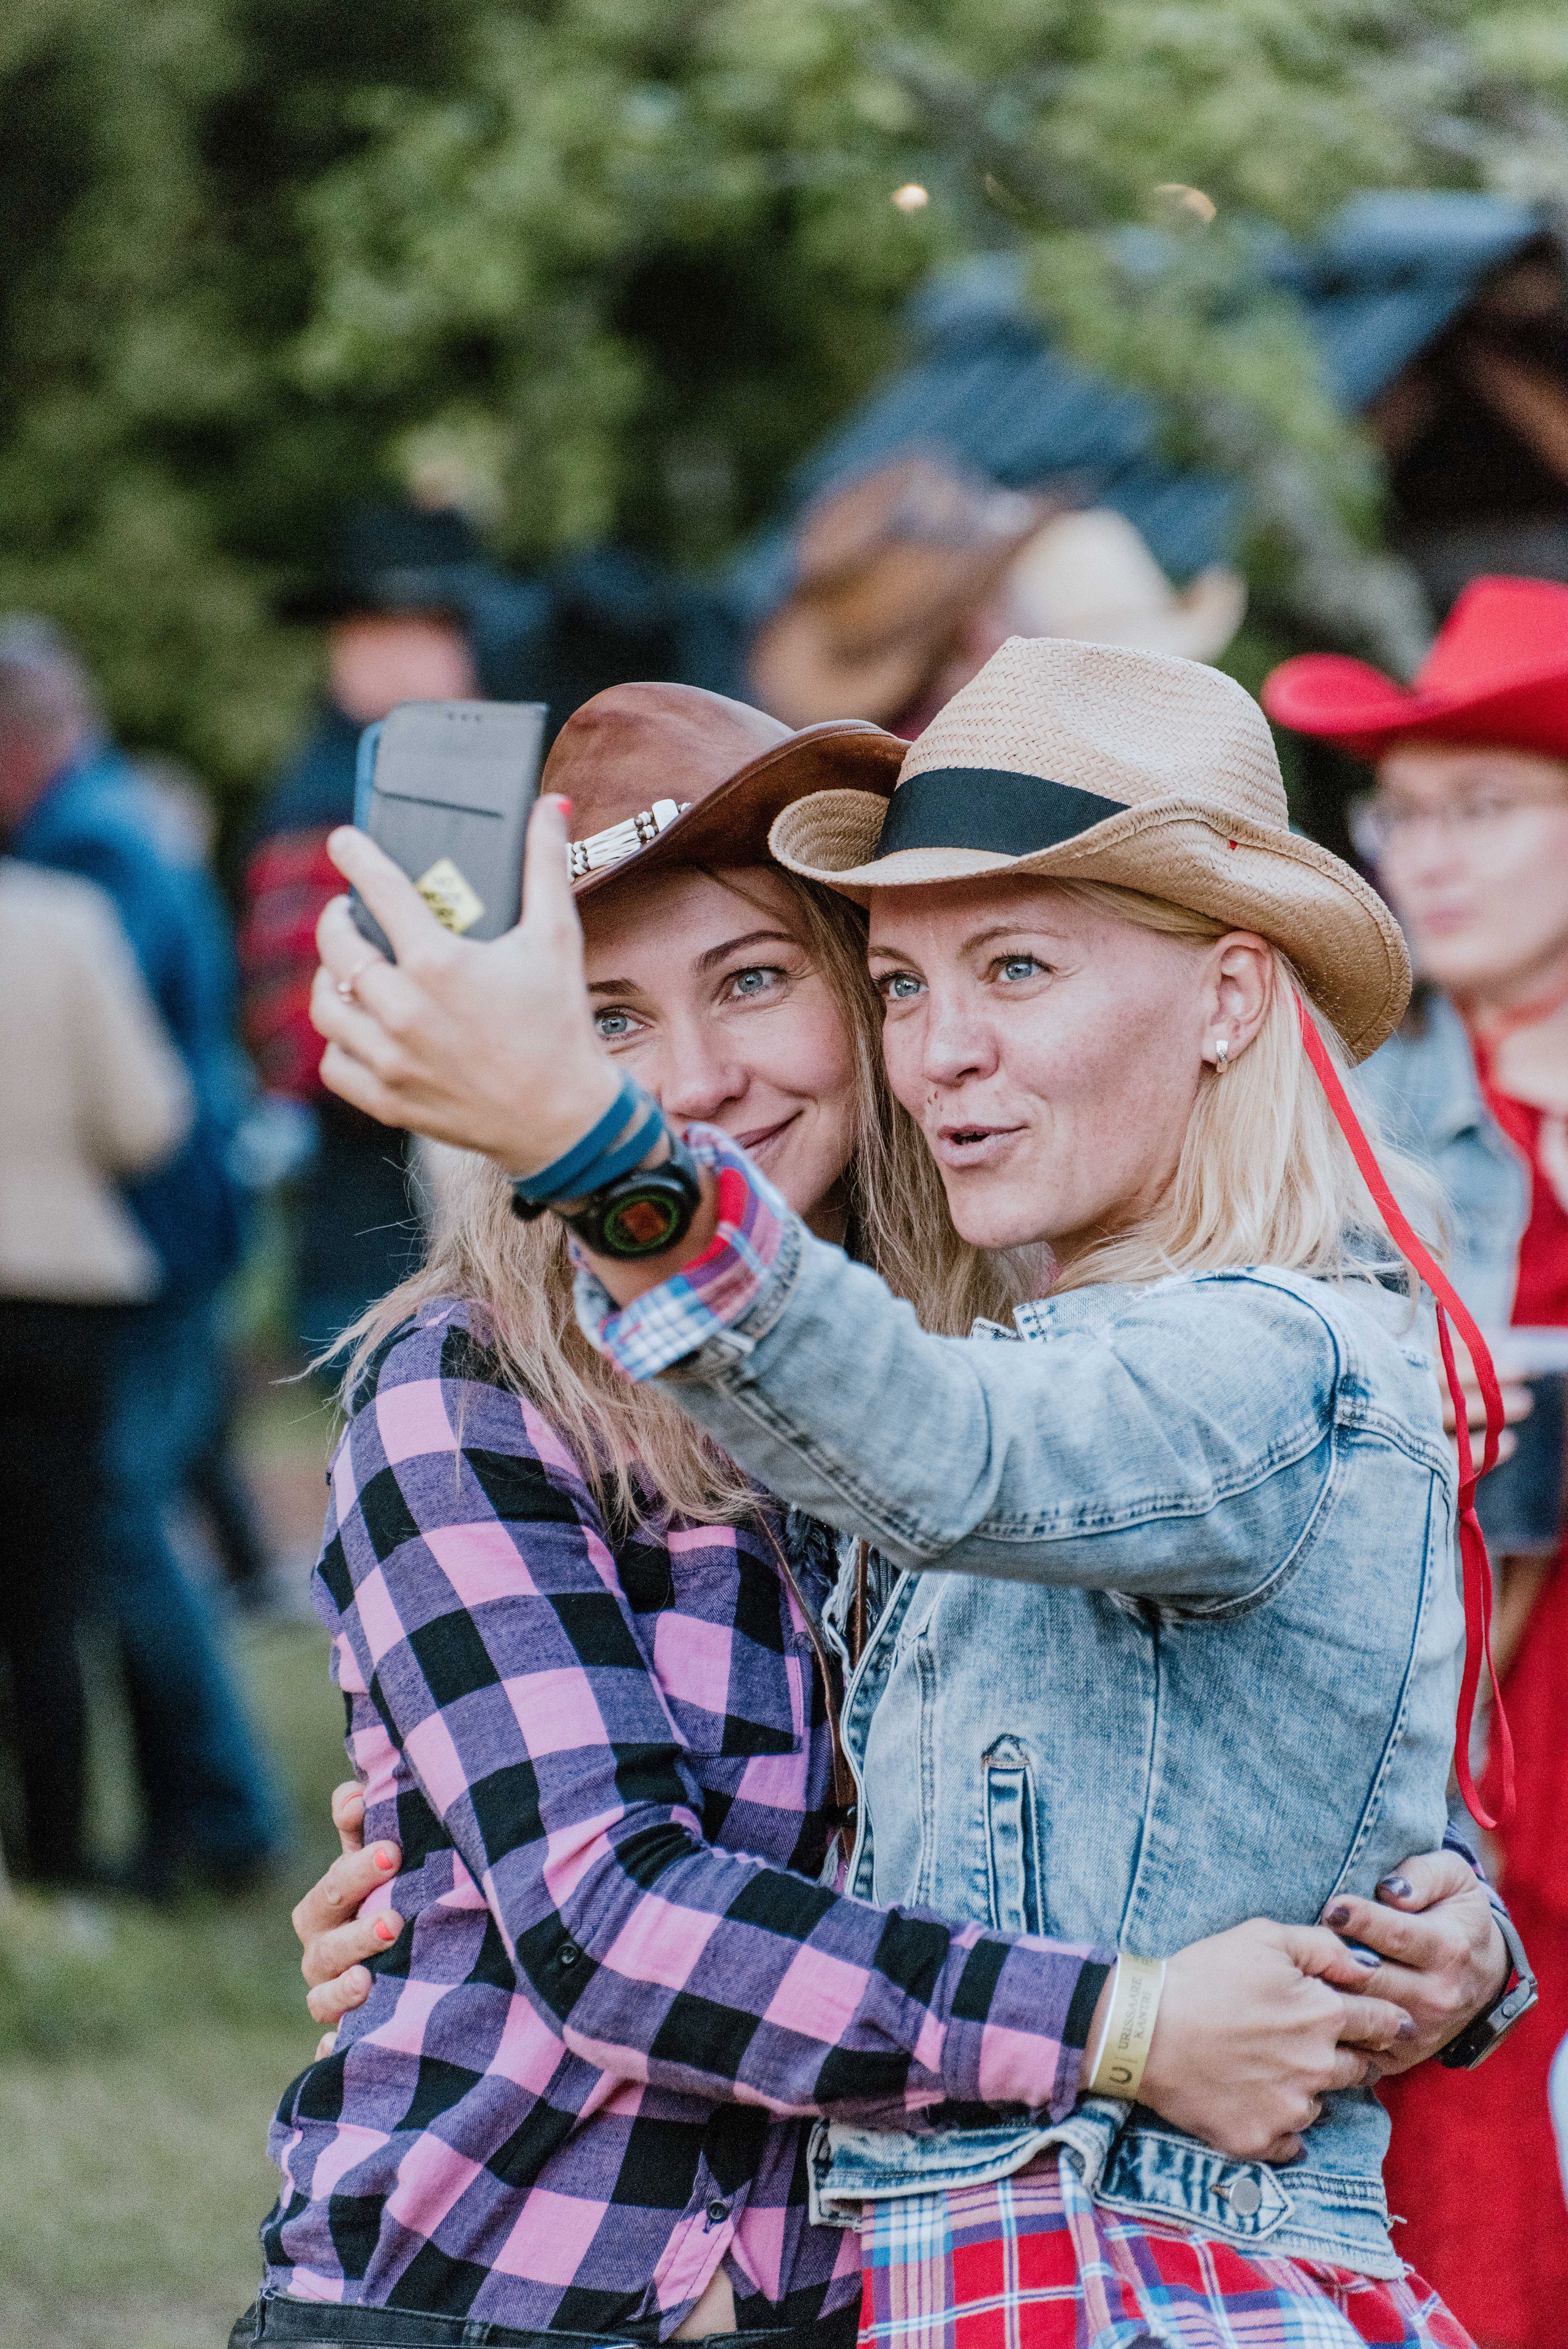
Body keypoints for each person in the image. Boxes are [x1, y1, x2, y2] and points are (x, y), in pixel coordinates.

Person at [292, 666, 1513, 2349]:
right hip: (516, 2295)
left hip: (869, 2294)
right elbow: (608, 1919)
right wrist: (1121, 2023)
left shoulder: (1022, 1360)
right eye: (614, 1019)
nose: (699, 1075)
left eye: (757, 977)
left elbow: (1178, 1735)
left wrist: (1444, 1919)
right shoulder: (470, 1385)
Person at [1264, 573, 1568, 2347]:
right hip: (1468, 1758)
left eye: (1487, 806)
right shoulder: (1341, 1122)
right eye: (1405, 811)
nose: (1425, 856)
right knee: (1468, 2207)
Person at [0, 617, 283, 1893]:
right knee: (127, 1522)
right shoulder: (112, 828)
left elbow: (113, 1086)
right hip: (165, 1227)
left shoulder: (80, 856)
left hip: (143, 1241)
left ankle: (216, 1817)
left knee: (122, 1528)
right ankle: (197, 1818)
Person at [0, 858, 192, 1882]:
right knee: (47, 1597)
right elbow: (149, 1119)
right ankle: (56, 1866)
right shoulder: (63, 918)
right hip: (58, 1292)